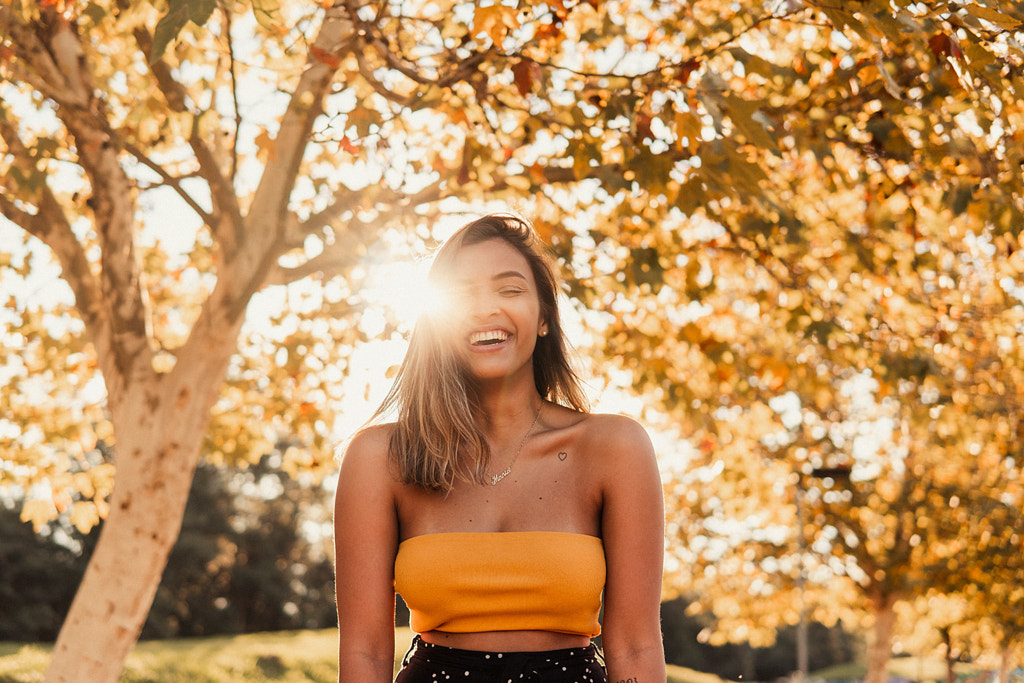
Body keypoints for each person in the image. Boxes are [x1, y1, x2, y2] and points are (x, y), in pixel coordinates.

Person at [334, 214, 665, 683]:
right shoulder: (380, 456)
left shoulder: (614, 448)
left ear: (545, 317)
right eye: (461, 294)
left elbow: (636, 647)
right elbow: (365, 654)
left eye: (509, 290)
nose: (484, 309)